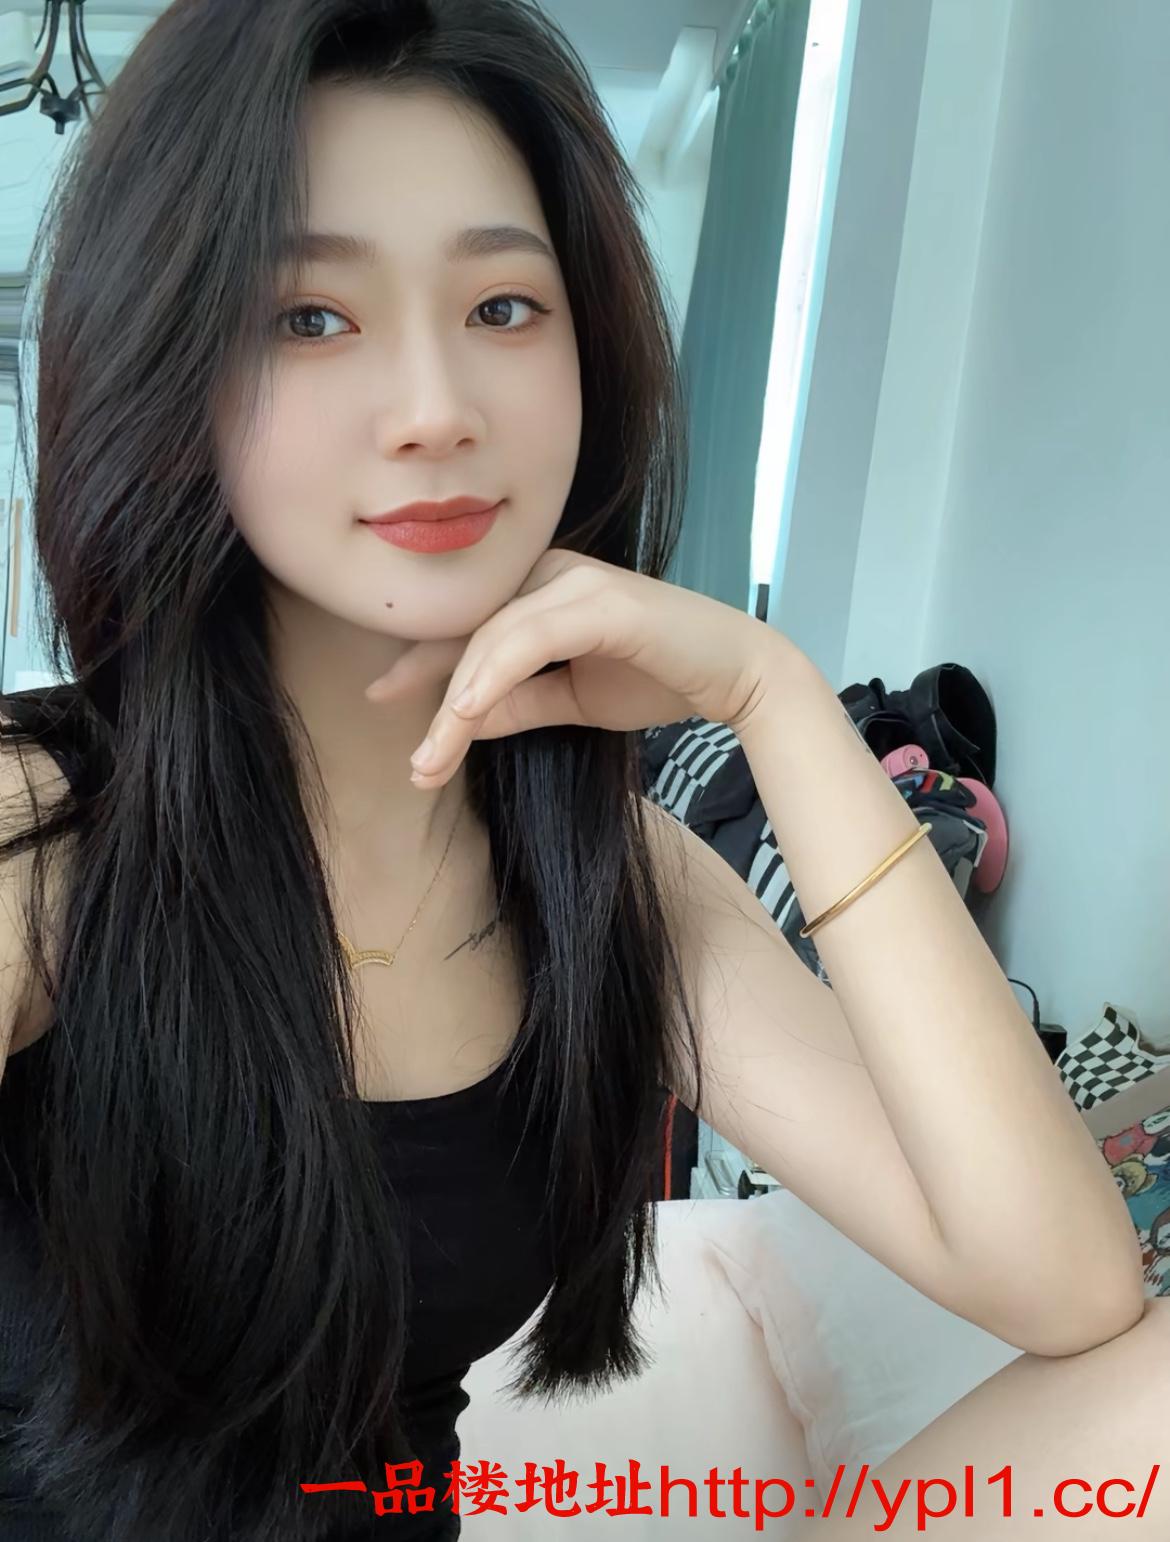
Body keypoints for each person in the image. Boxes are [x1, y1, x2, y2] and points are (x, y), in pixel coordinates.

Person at [0, 1, 1165, 1538]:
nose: (435, 410)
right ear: (170, 362)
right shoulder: (45, 827)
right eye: (310, 318)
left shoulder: (616, 881)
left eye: (502, 305)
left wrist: (773, 697)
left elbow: (1067, 1285)